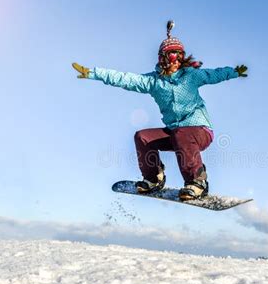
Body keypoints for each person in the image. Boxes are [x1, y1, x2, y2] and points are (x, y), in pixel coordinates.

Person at [72, 20, 247, 200]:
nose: (176, 61)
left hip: (200, 131)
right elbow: (125, 79)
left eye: (179, 57)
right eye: (172, 56)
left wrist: (234, 72)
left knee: (182, 133)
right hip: (176, 133)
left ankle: (197, 182)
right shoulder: (153, 81)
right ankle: (153, 178)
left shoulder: (191, 76)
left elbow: (215, 74)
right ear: (163, 58)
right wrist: (94, 73)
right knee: (142, 137)